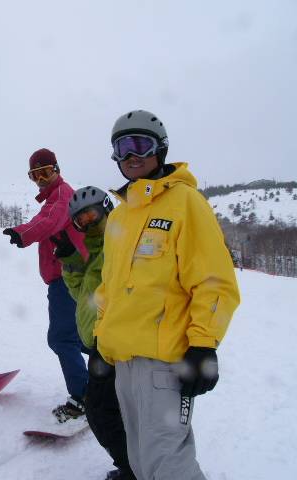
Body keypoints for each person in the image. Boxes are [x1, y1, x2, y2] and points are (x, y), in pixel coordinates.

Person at [94, 110, 240, 479]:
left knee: (168, 463)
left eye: (140, 144)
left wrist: (203, 346)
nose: (132, 155)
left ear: (160, 149)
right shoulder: (120, 216)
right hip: (123, 362)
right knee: (140, 461)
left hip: (164, 363)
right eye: (123, 148)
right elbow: (109, 287)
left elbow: (214, 281)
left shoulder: (185, 203)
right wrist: (101, 341)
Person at [52, 186, 135, 480]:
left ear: (107, 209)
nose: (87, 224)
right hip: (102, 344)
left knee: (104, 413)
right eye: (80, 221)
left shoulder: (120, 246)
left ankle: (133, 469)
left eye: (91, 215)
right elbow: (83, 296)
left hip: (117, 344)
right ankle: (132, 467)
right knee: (106, 413)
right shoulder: (99, 250)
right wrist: (71, 260)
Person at [2, 148, 89, 421]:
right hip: (70, 276)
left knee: (62, 338)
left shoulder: (62, 195)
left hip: (69, 277)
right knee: (81, 337)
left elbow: (49, 220)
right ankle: (109, 379)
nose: (41, 180)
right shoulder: (56, 195)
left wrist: (23, 233)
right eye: (35, 175)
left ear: (57, 170)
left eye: (46, 172)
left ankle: (85, 397)